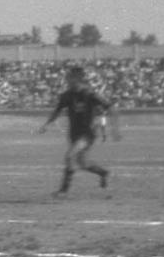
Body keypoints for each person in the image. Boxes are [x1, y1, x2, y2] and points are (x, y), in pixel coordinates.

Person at [38, 66, 112, 198]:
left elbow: (107, 108)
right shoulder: (66, 96)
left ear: (78, 79)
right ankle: (103, 173)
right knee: (83, 163)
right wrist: (47, 124)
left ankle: (63, 190)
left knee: (70, 155)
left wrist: (105, 129)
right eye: (68, 77)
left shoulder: (90, 94)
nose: (67, 79)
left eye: (70, 77)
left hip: (87, 134)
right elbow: (57, 111)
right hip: (74, 133)